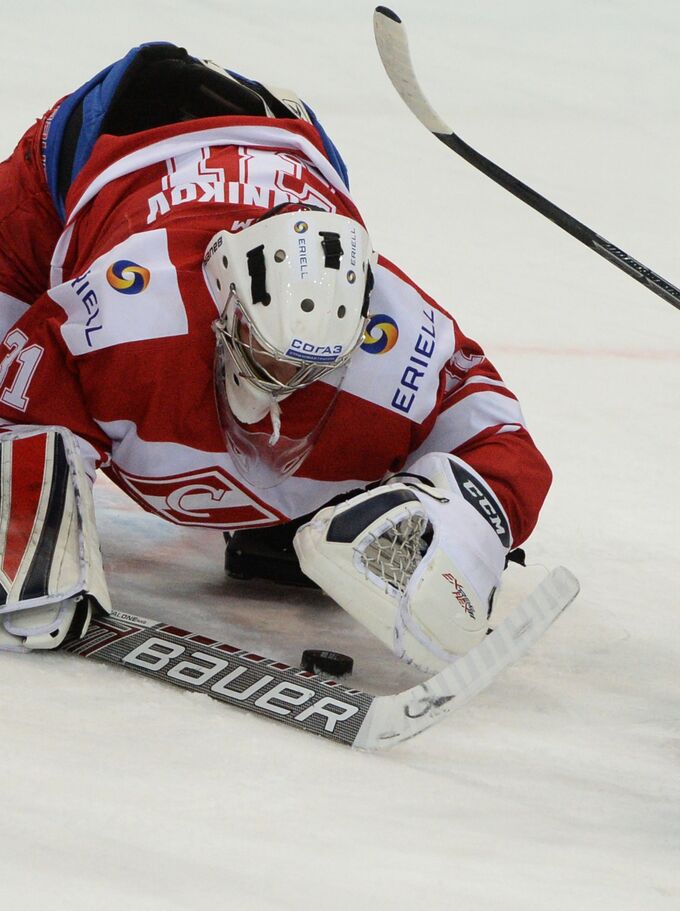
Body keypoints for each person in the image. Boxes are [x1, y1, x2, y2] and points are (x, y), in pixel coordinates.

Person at [0, 44, 551, 672]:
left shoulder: (391, 323)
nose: (284, 384)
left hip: (291, 147)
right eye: (270, 356)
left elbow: (495, 429)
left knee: (346, 455)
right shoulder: (134, 307)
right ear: (227, 310)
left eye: (308, 368)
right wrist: (26, 532)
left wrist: (469, 522)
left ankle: (285, 520)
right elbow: (21, 390)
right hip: (99, 146)